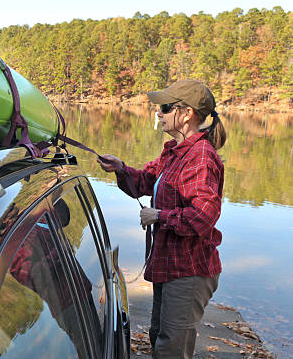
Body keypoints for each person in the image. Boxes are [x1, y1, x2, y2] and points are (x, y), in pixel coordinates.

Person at [97, 79, 226, 358]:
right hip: (170, 264)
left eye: (166, 108)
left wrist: (160, 216)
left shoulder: (200, 157)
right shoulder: (175, 151)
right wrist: (120, 168)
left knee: (171, 349)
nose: (159, 113)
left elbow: (203, 217)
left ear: (187, 113)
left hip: (189, 271)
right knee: (159, 337)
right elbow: (146, 181)